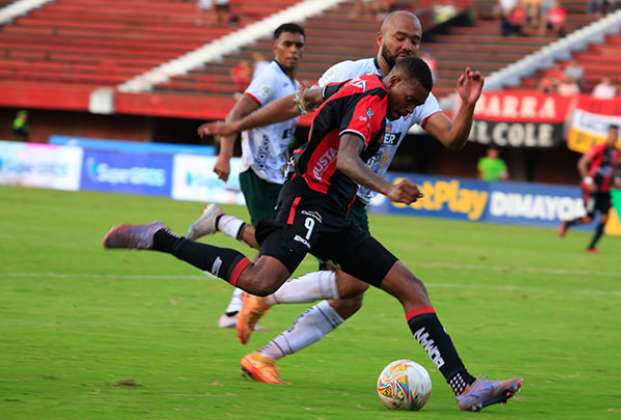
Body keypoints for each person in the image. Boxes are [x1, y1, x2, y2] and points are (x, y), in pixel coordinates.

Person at [103, 57, 523, 412]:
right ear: (393, 80)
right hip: (307, 201)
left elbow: (314, 98)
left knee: (410, 287)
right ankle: (163, 239)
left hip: (336, 214)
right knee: (260, 279)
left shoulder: (364, 87)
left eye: (414, 106)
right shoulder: (372, 101)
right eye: (408, 101)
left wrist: (467, 104)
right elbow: (345, 159)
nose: (405, 112)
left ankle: (464, 386)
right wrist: (387, 186)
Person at [194, 11, 489, 385]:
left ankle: (262, 343)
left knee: (349, 294)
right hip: (321, 191)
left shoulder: (413, 89)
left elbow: (451, 138)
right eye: (400, 37)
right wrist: (235, 127)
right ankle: (264, 302)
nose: (407, 46)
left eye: (415, 40)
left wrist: (467, 105)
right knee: (350, 284)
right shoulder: (350, 73)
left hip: (354, 200)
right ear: (379, 37)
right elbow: (296, 103)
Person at [200, 23, 305, 329]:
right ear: (275, 47)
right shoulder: (269, 78)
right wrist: (224, 155)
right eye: (287, 44)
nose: (293, 50)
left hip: (275, 173)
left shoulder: (289, 82)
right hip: (257, 172)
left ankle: (235, 309)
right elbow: (235, 116)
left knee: (267, 245)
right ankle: (218, 221)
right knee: (269, 243)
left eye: (298, 45)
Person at [559, 124, 621, 252]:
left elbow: (614, 172)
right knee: (589, 219)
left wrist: (618, 181)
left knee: (606, 218)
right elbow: (582, 163)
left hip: (605, 190)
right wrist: (588, 181)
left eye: (616, 135)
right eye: (612, 134)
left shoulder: (618, 153)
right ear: (608, 135)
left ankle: (591, 246)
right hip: (592, 190)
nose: (614, 137)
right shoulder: (599, 149)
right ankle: (568, 223)